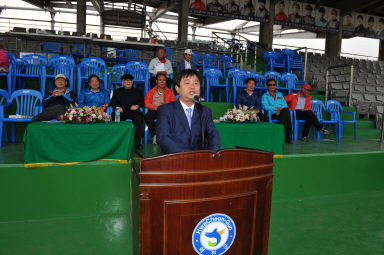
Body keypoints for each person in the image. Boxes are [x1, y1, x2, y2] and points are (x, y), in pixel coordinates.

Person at [156, 69, 220, 154]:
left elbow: (213, 135)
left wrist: (211, 155)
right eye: (187, 83)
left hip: (199, 161)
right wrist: (184, 157)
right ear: (177, 88)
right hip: (174, 161)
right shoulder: (165, 110)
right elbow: (162, 137)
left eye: (196, 83)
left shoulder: (205, 111)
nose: (192, 87)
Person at [110, 74, 145, 149]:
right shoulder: (117, 91)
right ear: (123, 82)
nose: (128, 82)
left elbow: (142, 101)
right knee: (115, 116)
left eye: (130, 81)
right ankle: (119, 141)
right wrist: (117, 107)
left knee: (138, 118)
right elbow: (113, 102)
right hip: (120, 110)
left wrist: (137, 106)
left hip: (133, 111)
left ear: (132, 82)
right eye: (126, 81)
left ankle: (137, 142)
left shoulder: (138, 91)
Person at [144, 73, 176, 144]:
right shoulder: (151, 92)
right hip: (155, 110)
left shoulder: (170, 92)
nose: (162, 82)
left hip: (165, 111)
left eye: (164, 80)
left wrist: (165, 108)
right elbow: (146, 103)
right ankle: (155, 136)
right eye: (160, 80)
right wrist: (155, 107)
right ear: (156, 81)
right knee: (147, 117)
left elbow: (173, 103)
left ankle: (167, 137)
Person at [261, 78, 292, 144]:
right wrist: (275, 109)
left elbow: (285, 105)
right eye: (270, 85)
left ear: (275, 86)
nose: (272, 86)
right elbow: (264, 106)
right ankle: (287, 136)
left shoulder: (279, 94)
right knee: (286, 115)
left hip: (281, 112)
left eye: (273, 84)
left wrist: (279, 110)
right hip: (271, 114)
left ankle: (281, 136)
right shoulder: (265, 96)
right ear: (267, 86)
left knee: (285, 111)